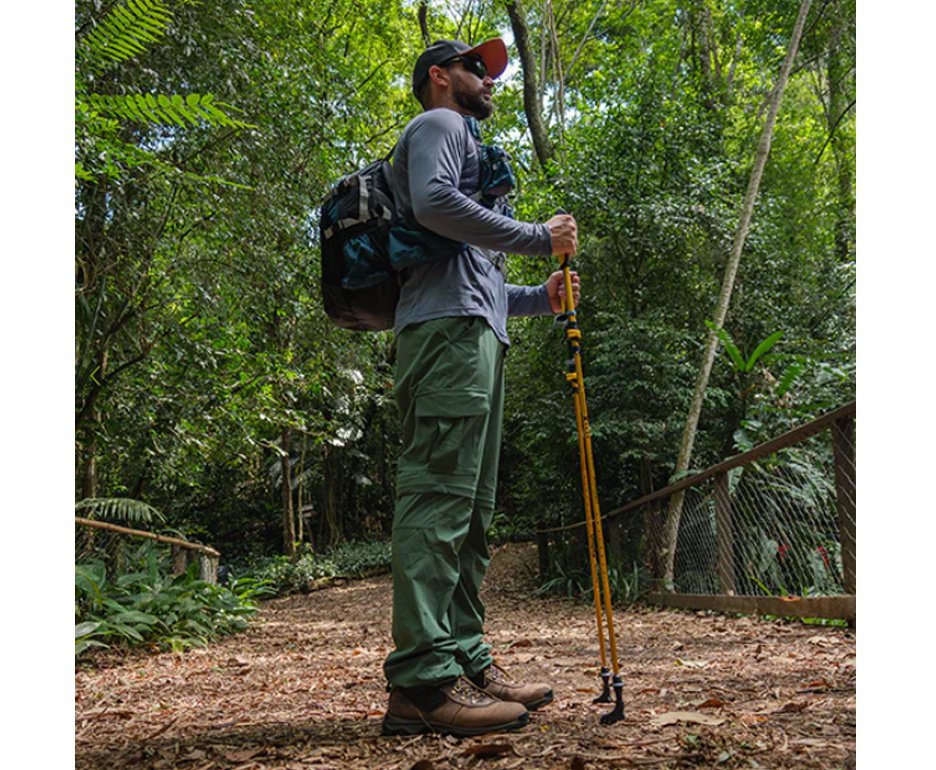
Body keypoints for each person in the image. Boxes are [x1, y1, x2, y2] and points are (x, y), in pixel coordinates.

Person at [382, 37, 580, 737]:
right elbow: (435, 204)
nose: (491, 78)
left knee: (472, 517)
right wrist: (535, 234)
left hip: (473, 334)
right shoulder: (439, 125)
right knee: (439, 500)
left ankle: (466, 659)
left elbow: (481, 282)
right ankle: (421, 685)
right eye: (476, 68)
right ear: (440, 77)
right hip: (442, 338)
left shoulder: (468, 148)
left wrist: (541, 295)